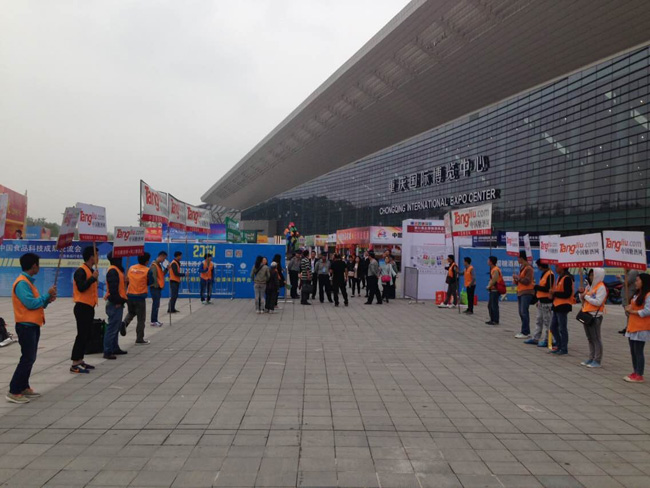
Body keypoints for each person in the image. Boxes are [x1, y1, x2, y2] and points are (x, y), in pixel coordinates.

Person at [6, 253, 56, 404]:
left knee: (30, 357)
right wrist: (46, 296)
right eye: (38, 264)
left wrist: (47, 299)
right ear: (34, 266)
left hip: (32, 324)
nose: (39, 267)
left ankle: (23, 386)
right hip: (25, 325)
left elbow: (37, 303)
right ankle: (14, 390)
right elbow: (30, 303)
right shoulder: (22, 283)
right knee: (27, 358)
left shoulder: (28, 282)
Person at [70, 246, 98, 374]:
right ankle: (75, 362)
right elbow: (81, 287)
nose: (98, 258)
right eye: (96, 255)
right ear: (91, 257)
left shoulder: (90, 270)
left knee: (86, 334)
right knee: (81, 335)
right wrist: (92, 278)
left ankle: (80, 360)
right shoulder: (80, 271)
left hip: (89, 306)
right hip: (82, 307)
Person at [578, 268, 607, 368]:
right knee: (590, 338)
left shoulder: (601, 287)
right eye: (590, 275)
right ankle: (591, 357)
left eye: (593, 275)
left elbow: (598, 302)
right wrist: (581, 294)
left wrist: (586, 296)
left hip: (595, 316)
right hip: (587, 315)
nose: (591, 277)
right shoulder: (589, 286)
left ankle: (597, 360)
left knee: (596, 338)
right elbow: (582, 299)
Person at [624, 273, 650, 383]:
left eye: (638, 280)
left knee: (638, 351)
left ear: (644, 282)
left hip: (641, 327)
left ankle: (639, 374)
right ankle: (635, 371)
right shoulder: (637, 294)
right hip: (633, 326)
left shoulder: (648, 295)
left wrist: (633, 311)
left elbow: (647, 311)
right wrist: (629, 308)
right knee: (633, 351)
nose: (636, 282)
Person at [122, 253, 152, 345]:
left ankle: (124, 323)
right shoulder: (147, 270)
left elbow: (127, 280)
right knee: (141, 319)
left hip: (129, 295)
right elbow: (150, 282)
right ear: (147, 261)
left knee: (131, 312)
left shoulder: (131, 268)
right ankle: (139, 339)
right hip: (140, 296)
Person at [104, 251, 128, 360]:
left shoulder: (117, 270)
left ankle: (114, 347)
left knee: (116, 327)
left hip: (118, 302)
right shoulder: (113, 271)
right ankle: (108, 350)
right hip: (115, 303)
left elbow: (119, 286)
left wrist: (126, 282)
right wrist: (118, 301)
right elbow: (113, 289)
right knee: (112, 328)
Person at [526, 260, 555, 347]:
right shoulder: (544, 273)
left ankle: (548, 340)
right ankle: (536, 338)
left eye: (538, 266)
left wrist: (536, 287)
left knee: (547, 322)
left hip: (547, 302)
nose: (538, 267)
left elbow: (547, 288)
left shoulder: (550, 274)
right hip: (541, 301)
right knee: (539, 320)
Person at [549, 264, 574, 356]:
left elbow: (567, 294)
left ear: (562, 267)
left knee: (562, 328)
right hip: (557, 305)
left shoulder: (567, 278)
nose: (555, 268)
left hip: (563, 306)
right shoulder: (560, 277)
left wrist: (554, 293)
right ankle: (559, 345)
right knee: (553, 327)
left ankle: (564, 348)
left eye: (557, 266)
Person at [513, 251, 535, 339]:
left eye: (518, 258)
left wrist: (518, 278)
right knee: (521, 312)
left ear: (521, 258)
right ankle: (524, 330)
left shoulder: (528, 268)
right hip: (521, 292)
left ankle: (525, 332)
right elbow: (521, 280)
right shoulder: (522, 267)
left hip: (527, 292)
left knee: (524, 312)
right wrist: (516, 280)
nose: (517, 260)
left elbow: (527, 281)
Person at [149, 251, 167, 327]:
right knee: (155, 304)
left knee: (157, 304)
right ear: (161, 256)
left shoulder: (158, 265)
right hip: (155, 288)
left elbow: (161, 275)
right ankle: (153, 321)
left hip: (158, 288)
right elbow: (154, 278)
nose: (164, 260)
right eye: (164, 258)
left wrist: (167, 269)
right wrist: (158, 286)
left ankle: (155, 320)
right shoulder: (154, 265)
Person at [486, 256, 501, 325]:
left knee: (494, 305)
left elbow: (494, 280)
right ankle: (492, 319)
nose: (487, 261)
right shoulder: (492, 269)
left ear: (491, 262)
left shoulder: (495, 269)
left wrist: (489, 286)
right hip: (492, 289)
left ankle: (495, 320)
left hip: (495, 290)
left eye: (488, 260)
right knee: (490, 305)